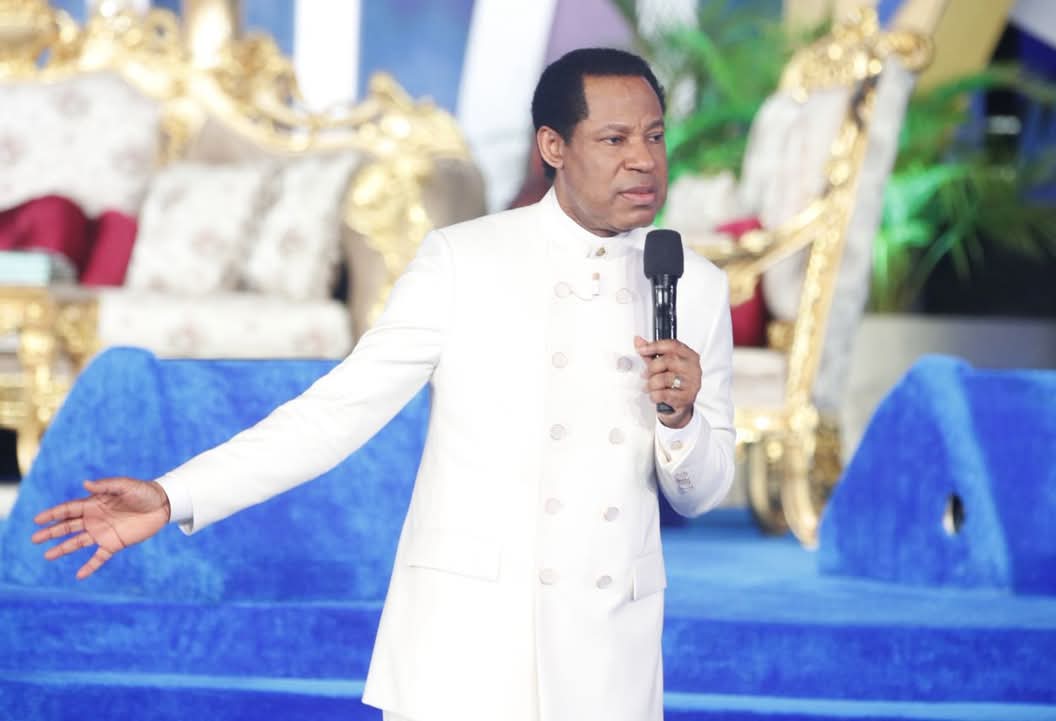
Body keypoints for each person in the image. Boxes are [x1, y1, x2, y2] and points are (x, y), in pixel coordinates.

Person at [31, 48, 735, 721]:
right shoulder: (466, 260)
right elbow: (335, 412)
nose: (644, 160)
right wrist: (174, 493)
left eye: (654, 136)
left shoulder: (696, 287)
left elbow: (702, 491)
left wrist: (681, 420)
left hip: (607, 655)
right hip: (469, 642)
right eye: (614, 139)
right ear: (553, 146)